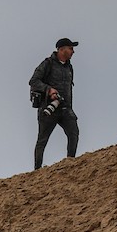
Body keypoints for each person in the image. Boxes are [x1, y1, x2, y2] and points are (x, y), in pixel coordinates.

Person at [30, 37, 79, 171]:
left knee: (74, 132)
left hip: (65, 108)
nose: (73, 52)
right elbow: (33, 81)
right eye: (71, 48)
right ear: (62, 50)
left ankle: (71, 163)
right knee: (42, 140)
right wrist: (49, 90)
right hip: (48, 108)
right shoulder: (48, 64)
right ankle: (37, 170)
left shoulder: (69, 67)